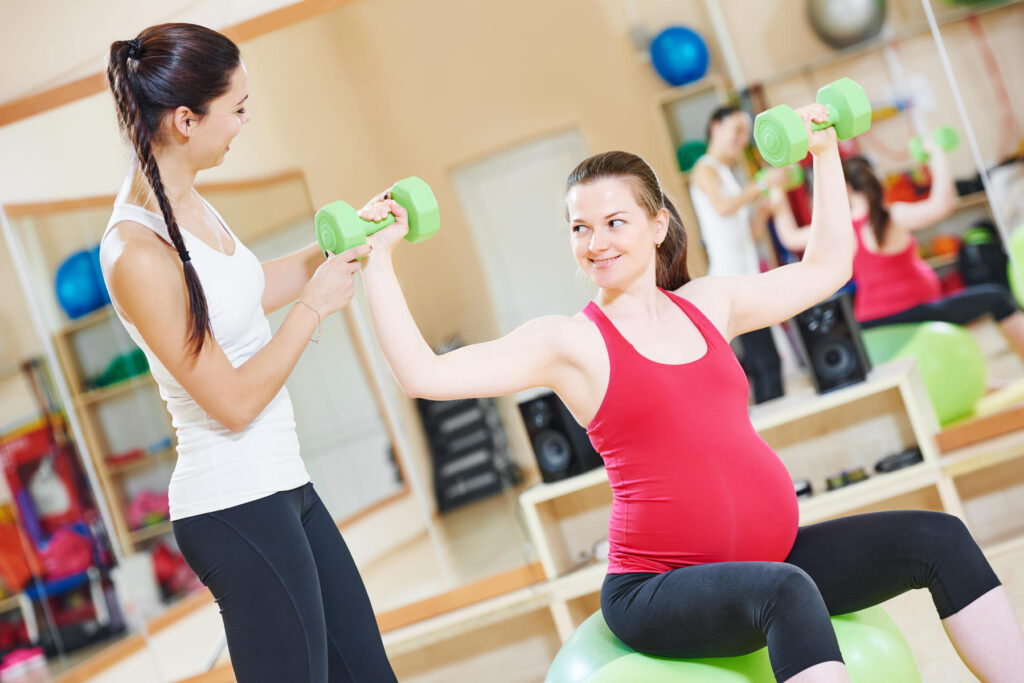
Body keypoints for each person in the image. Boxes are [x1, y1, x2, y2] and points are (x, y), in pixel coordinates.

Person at [356, 105, 1024, 681]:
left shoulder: (711, 303)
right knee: (788, 593)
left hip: (769, 554)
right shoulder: (571, 343)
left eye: (614, 222)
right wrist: (378, 261)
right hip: (656, 588)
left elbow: (827, 266)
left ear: (657, 226)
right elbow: (425, 374)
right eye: (578, 228)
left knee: (941, 537)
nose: (594, 242)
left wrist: (822, 150)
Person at [100, 23, 395, 682]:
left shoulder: (190, 204)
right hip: (233, 506)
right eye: (235, 108)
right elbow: (231, 401)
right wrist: (315, 306)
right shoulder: (135, 252)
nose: (243, 121)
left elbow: (247, 291)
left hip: (284, 482)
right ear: (184, 119)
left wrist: (349, 234)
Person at [773, 139, 1024, 362]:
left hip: (869, 321)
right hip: (915, 312)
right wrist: (936, 154)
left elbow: (790, 237)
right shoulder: (893, 215)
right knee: (998, 298)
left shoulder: (842, 227)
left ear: (845, 188)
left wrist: (776, 192)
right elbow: (942, 204)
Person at [689, 106, 791, 404]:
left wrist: (763, 209)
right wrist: (762, 184)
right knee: (764, 361)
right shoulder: (704, 169)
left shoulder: (728, 173)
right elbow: (722, 206)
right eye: (737, 129)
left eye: (745, 133)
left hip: (746, 277)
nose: (742, 138)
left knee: (766, 361)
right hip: (728, 282)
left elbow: (750, 235)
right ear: (715, 127)